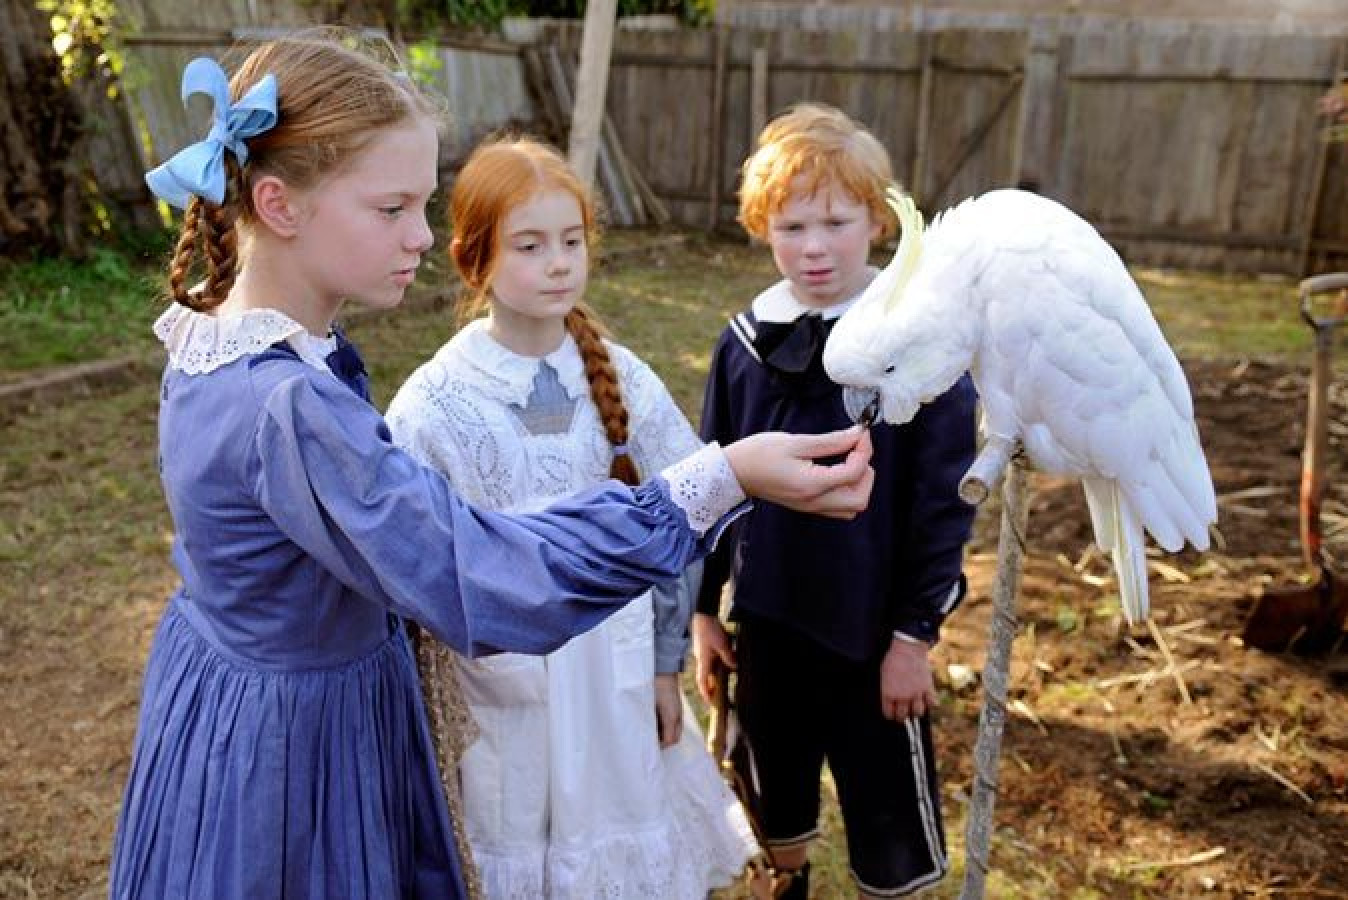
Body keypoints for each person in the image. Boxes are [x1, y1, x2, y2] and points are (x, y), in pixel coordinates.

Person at [109, 38, 874, 900]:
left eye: (424, 205)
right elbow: (484, 573)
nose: (422, 236)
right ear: (280, 205)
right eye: (392, 207)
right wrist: (720, 477)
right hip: (298, 752)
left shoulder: (221, 348)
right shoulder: (287, 404)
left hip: (229, 706)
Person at [385, 136, 759, 898]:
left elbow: (686, 517)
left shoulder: (624, 377)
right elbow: (414, 564)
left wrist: (662, 664)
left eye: (571, 241)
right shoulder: (435, 402)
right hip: (500, 689)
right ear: (473, 259)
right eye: (529, 245)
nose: (558, 262)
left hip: (616, 682)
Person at [692, 103, 978, 899]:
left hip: (873, 637)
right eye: (791, 227)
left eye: (836, 222)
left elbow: (942, 504)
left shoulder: (918, 339)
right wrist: (705, 610)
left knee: (888, 833)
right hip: (770, 628)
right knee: (774, 809)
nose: (813, 248)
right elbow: (712, 481)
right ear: (762, 227)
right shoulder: (744, 341)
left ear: (879, 222)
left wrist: (913, 637)